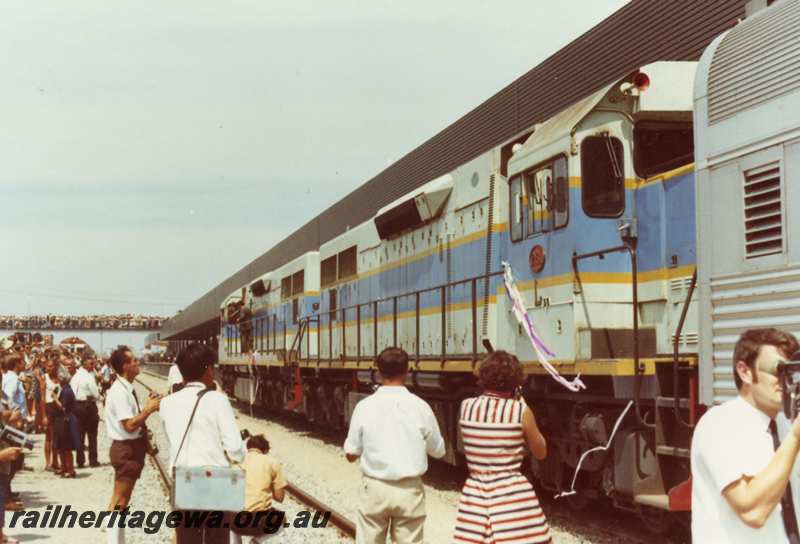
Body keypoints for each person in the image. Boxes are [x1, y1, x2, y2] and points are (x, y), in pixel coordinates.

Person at [691, 328, 800, 543]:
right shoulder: (719, 424)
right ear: (745, 371)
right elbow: (752, 512)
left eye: (791, 373)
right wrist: (796, 437)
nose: (786, 381)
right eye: (778, 370)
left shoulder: (786, 426)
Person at [344, 347, 445, 544]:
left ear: (378, 372)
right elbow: (439, 451)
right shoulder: (420, 406)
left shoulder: (364, 407)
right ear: (408, 370)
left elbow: (351, 453)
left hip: (374, 489)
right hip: (409, 491)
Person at [453, 350, 552, 543]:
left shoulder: (466, 407)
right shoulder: (520, 410)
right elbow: (541, 452)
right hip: (512, 499)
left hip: (476, 495)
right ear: (516, 382)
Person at [160, 343, 246, 544]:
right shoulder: (218, 400)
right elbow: (234, 448)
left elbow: (170, 438)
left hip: (184, 479)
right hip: (215, 480)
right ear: (208, 370)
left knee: (188, 539)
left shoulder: (166, 403)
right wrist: (239, 456)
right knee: (217, 539)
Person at [104, 346, 160, 544]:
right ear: (126, 365)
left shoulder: (125, 387)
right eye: (134, 360)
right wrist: (148, 410)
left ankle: (117, 540)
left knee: (122, 501)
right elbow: (128, 425)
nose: (138, 363)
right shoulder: (120, 392)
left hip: (129, 449)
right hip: (126, 449)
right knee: (119, 501)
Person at [231, 434, 287, 543]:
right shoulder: (272, 462)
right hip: (259, 522)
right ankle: (256, 541)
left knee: (226, 517)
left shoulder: (235, 462)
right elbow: (280, 498)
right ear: (265, 450)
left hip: (235, 521)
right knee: (282, 519)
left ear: (248, 448)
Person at [51, 361, 81, 478]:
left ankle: (70, 469)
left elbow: (63, 407)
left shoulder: (67, 391)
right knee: (60, 446)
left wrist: (54, 398)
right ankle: (64, 467)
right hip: (61, 420)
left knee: (67, 447)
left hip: (66, 420)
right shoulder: (63, 389)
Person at [71, 355, 101, 468]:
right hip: (88, 405)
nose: (93, 366)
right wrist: (99, 398)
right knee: (92, 434)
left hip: (77, 406)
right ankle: (93, 460)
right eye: (91, 364)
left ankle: (80, 461)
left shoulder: (75, 376)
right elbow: (95, 393)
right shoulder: (88, 377)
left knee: (80, 434)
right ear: (84, 364)